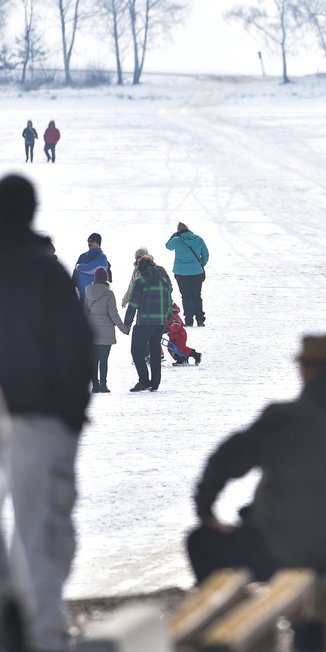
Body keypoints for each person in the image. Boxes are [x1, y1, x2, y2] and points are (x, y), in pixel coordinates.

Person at [186, 334, 326, 649]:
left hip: (292, 551)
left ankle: (232, 635)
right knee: (308, 559)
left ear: (306, 371)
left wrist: (205, 510)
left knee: (202, 542)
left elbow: (227, 459)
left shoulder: (286, 419)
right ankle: (310, 636)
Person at [0, 173, 92, 652]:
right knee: (41, 534)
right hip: (39, 418)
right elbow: (76, 347)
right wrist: (71, 417)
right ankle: (39, 638)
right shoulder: (42, 269)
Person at [123, 255, 172, 392]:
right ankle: (155, 383)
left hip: (144, 322)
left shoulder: (141, 282)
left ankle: (144, 381)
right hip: (160, 323)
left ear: (140, 267)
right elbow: (169, 304)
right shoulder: (164, 282)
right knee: (155, 352)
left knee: (136, 351)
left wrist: (127, 324)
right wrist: (164, 320)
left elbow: (133, 304)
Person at [83, 267, 129, 393]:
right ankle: (103, 384)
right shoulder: (109, 294)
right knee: (104, 360)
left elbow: (84, 313)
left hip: (91, 331)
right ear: (106, 279)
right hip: (106, 332)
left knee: (94, 359)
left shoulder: (88, 292)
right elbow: (113, 314)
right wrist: (124, 329)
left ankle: (95, 386)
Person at [165, 222, 208, 327]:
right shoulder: (198, 239)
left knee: (186, 296)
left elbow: (168, 246)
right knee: (197, 296)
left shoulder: (177, 240)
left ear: (179, 231)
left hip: (181, 273)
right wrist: (200, 265)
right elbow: (206, 255)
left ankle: (189, 320)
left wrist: (174, 235)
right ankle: (200, 320)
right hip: (197, 272)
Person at [71, 233, 112, 301]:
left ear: (98, 243)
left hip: (97, 298)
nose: (89, 243)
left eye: (92, 241)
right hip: (82, 297)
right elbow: (75, 274)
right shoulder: (83, 256)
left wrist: (79, 266)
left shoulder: (102, 257)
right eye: (88, 241)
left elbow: (91, 268)